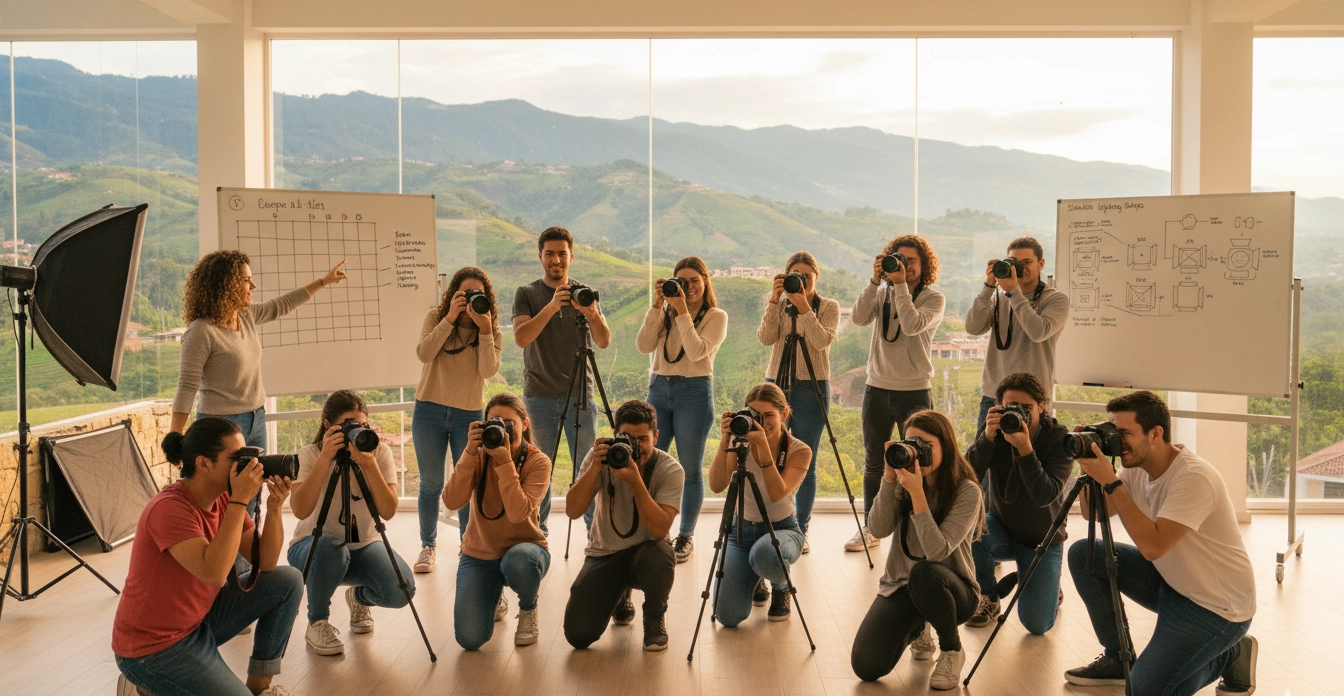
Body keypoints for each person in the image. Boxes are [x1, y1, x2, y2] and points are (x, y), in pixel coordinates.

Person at [1065, 391, 1258, 696]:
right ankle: (1117, 657)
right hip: (1171, 581)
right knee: (1083, 555)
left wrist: (1111, 482)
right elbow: (1093, 513)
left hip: (1216, 607)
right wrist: (1087, 466)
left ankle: (1229, 654)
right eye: (1113, 432)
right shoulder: (1132, 467)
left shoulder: (1194, 477)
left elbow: (1152, 546)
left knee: (1143, 691)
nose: (1118, 442)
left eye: (1125, 433)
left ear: (1156, 434)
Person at [112, 417, 301, 696]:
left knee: (288, 580)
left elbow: (268, 562)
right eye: (237, 458)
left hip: (197, 624)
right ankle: (144, 681)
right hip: (152, 648)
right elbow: (213, 571)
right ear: (203, 463)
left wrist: (274, 507)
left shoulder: (224, 499)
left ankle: (260, 688)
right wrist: (239, 501)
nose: (247, 466)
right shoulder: (170, 508)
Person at [850, 410, 984, 690]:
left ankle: (951, 650)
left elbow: (937, 553)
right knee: (866, 666)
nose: (917, 452)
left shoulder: (966, 491)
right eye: (912, 443)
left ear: (946, 447)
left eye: (926, 445)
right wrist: (888, 480)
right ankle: (921, 627)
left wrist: (918, 493)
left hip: (952, 590)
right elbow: (878, 529)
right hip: (902, 586)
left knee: (924, 573)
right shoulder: (903, 479)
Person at [172, 249, 348, 461]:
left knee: (254, 487)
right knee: (228, 492)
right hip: (222, 425)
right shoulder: (201, 331)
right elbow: (187, 386)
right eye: (247, 280)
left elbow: (281, 305)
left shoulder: (245, 316)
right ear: (227, 285)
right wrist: (175, 438)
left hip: (256, 417)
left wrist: (324, 281)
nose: (253, 286)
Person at [286, 390, 415, 656]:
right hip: (313, 548)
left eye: (362, 426)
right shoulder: (310, 453)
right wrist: (325, 459)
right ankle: (317, 622)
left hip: (364, 545)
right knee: (332, 549)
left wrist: (368, 465)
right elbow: (300, 509)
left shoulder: (379, 452)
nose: (355, 433)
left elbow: (388, 511)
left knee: (402, 590)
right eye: (348, 426)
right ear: (327, 426)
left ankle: (359, 598)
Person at [847, 235, 946, 553]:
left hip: (914, 389)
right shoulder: (882, 291)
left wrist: (900, 285)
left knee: (921, 462)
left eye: (911, 260)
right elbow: (859, 318)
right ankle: (871, 526)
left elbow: (913, 323)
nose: (905, 266)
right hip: (877, 385)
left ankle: (919, 526)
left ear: (924, 264)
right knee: (875, 462)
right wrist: (875, 281)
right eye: (898, 259)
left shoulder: (933, 298)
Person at [512, 226, 611, 535]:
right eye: (550, 254)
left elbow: (604, 341)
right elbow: (521, 337)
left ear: (572, 257)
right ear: (540, 256)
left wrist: (592, 314)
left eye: (562, 254)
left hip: (581, 395)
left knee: (588, 469)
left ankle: (594, 534)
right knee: (539, 471)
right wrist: (553, 304)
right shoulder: (527, 294)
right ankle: (536, 532)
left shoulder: (585, 292)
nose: (556, 260)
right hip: (538, 396)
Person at [563, 400, 683, 652]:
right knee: (578, 635)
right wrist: (596, 466)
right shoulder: (601, 458)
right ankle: (620, 594)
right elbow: (573, 510)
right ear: (616, 435)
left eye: (643, 439)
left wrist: (636, 481)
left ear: (656, 437)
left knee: (661, 554)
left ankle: (653, 618)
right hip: (605, 553)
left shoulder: (669, 469)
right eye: (627, 438)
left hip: (647, 554)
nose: (635, 446)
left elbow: (660, 530)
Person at [443, 392, 553, 650]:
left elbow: (517, 514)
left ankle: (527, 608)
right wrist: (470, 451)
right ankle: (494, 594)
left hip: (525, 549)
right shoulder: (477, 455)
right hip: (480, 554)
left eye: (508, 423)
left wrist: (504, 462)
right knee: (469, 639)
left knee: (519, 560)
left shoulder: (538, 461)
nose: (501, 430)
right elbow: (451, 502)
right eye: (494, 422)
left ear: (524, 424)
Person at [635, 256, 727, 564]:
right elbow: (643, 346)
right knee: (647, 462)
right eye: (681, 282)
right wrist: (656, 306)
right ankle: (650, 530)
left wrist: (683, 312)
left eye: (694, 281)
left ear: (705, 282)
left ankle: (685, 535)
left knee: (690, 469)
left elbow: (697, 350)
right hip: (658, 388)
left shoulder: (716, 316)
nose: (687, 288)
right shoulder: (665, 312)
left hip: (694, 392)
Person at [964, 373, 1072, 634]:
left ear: (1042, 406)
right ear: (999, 406)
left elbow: (1045, 495)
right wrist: (987, 438)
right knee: (970, 529)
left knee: (1036, 625)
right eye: (1011, 407)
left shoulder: (1060, 440)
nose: (1020, 415)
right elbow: (968, 476)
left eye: (1027, 408)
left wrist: (1026, 450)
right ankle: (988, 597)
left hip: (1042, 538)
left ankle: (1046, 582)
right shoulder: (996, 431)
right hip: (1002, 528)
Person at [411, 266, 503, 573]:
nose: (472, 299)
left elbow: (489, 371)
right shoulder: (435, 317)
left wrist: (486, 329)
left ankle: (468, 545)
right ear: (454, 294)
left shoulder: (491, 329)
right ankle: (428, 546)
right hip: (429, 411)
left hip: (469, 414)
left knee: (466, 483)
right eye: (466, 293)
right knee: (431, 484)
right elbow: (424, 354)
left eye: (479, 293)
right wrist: (450, 318)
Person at [707, 383, 811, 626]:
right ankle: (756, 576)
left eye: (769, 416)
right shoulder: (740, 442)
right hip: (740, 531)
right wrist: (726, 440)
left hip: (782, 529)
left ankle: (781, 585)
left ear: (784, 414)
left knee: (765, 553)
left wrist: (763, 448)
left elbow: (777, 494)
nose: (762, 423)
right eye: (755, 415)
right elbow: (716, 484)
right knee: (727, 616)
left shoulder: (799, 450)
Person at [756, 251, 839, 553]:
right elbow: (766, 338)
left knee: (807, 459)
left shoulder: (828, 307)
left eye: (806, 276)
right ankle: (770, 521)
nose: (800, 280)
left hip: (813, 385)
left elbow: (820, 341)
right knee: (769, 453)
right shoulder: (780, 303)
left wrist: (803, 305)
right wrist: (774, 302)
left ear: (817, 276)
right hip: (776, 384)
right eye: (795, 274)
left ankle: (800, 528)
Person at [964, 237, 1070, 435]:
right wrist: (988, 287)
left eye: (1027, 262)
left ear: (1041, 264)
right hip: (994, 394)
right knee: (985, 461)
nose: (1020, 268)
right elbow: (973, 327)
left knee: (1030, 458)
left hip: (1032, 399)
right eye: (1014, 262)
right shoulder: (1000, 297)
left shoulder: (1056, 300)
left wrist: (1013, 291)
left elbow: (1038, 332)